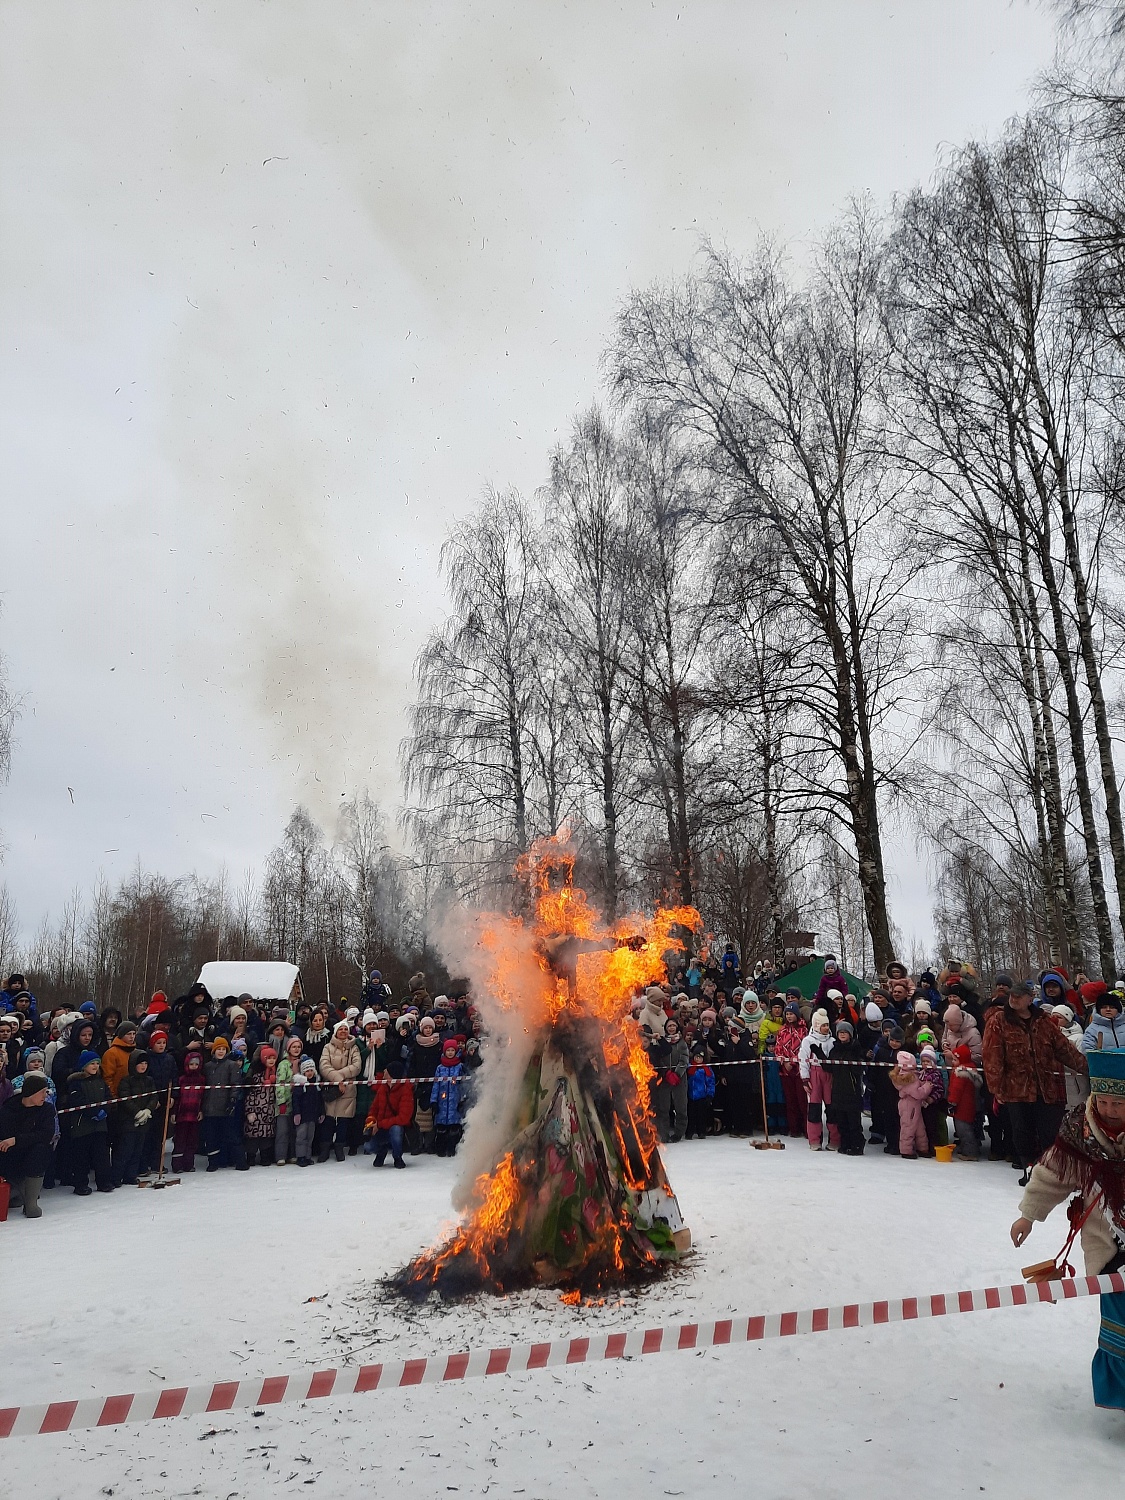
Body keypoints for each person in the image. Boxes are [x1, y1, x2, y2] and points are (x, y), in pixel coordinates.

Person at [1010, 1049, 1125, 1410]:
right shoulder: (1080, 1130)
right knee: (1120, 1329)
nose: (1109, 1109)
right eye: (1103, 1101)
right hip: (1109, 1247)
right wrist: (1028, 1215)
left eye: (1118, 1103)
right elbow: (1053, 1174)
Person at [983, 979, 1088, 1181]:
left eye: (1018, 996)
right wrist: (996, 1088)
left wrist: (1089, 1069)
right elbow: (992, 1055)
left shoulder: (1044, 1021)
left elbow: (1064, 1049)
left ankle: (1049, 1171)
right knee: (1022, 1133)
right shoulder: (998, 1021)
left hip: (1045, 1087)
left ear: (1030, 999)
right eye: (1012, 995)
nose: (1013, 999)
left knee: (1050, 1132)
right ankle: (1028, 1168)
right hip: (1016, 1089)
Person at [0, 1072, 55, 1217]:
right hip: (9, 1155)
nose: (45, 1096)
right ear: (32, 1093)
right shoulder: (9, 1108)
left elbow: (46, 1134)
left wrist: (16, 1140)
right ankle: (14, 1194)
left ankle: (30, 1203)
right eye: (43, 1092)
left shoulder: (47, 1109)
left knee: (41, 1150)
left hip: (31, 1154)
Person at [66, 1050, 114, 1195]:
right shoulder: (75, 1083)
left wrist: (105, 1110)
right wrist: (93, 1112)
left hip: (100, 1126)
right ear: (83, 1065)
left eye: (97, 1064)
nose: (95, 1066)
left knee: (101, 1156)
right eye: (91, 1063)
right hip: (82, 1126)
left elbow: (108, 1098)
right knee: (81, 1157)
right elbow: (78, 1100)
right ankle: (81, 1184)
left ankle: (104, 1182)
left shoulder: (101, 1082)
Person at [318, 1020, 361, 1162]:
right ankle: (325, 1148)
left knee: (343, 1121)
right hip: (331, 1088)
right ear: (336, 1032)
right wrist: (337, 1080)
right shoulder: (327, 1047)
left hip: (347, 1090)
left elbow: (356, 1066)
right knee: (328, 1121)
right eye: (340, 1029)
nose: (343, 1031)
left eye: (345, 1029)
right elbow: (324, 1066)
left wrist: (340, 1077)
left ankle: (339, 1147)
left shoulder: (354, 1047)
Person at [202, 1035, 247, 1171]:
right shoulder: (208, 1066)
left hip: (226, 1107)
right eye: (218, 1049)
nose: (221, 1051)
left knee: (231, 1135)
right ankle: (213, 1162)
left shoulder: (231, 1065)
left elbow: (235, 1084)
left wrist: (232, 1100)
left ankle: (240, 1161)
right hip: (210, 1108)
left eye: (223, 1049)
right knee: (211, 1137)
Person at [113, 1051, 156, 1185]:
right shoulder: (126, 1081)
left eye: (145, 1063)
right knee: (125, 1150)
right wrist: (137, 1113)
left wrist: (148, 1110)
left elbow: (154, 1096)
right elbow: (125, 1099)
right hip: (128, 1122)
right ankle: (116, 1177)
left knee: (138, 1150)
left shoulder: (149, 1080)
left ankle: (130, 1175)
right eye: (140, 1063)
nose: (143, 1066)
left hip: (144, 1121)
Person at [798, 1009, 838, 1151]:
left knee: (832, 1107)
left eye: (827, 1025)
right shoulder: (808, 1041)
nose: (826, 1028)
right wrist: (805, 1079)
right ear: (816, 1026)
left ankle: (835, 1139)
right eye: (823, 1025)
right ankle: (814, 1139)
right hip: (814, 1074)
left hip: (829, 1075)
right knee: (814, 1108)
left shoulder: (832, 1041)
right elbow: (803, 1060)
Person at [363, 1061, 414, 1167]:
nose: (384, 1071)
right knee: (368, 1147)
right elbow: (373, 1108)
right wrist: (371, 1122)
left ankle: (397, 1157)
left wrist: (379, 1124)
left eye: (387, 1070)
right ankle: (381, 1151)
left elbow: (403, 1118)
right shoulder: (383, 1087)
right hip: (381, 1127)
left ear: (392, 1074)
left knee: (396, 1129)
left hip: (397, 1129)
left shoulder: (405, 1089)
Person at [827, 1020, 865, 1155]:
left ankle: (857, 1145)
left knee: (853, 1122)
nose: (842, 1034)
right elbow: (829, 1068)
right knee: (842, 1121)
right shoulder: (835, 1049)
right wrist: (819, 1054)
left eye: (845, 1032)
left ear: (850, 1034)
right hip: (838, 1090)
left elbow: (859, 1069)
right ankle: (845, 1144)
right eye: (840, 1032)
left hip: (852, 1090)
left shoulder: (856, 1048)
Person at [775, 1001, 808, 1138]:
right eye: (787, 1014)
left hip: (800, 1069)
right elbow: (778, 1048)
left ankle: (806, 1128)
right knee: (790, 1100)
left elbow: (804, 1049)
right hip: (785, 1070)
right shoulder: (782, 1030)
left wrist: (793, 1061)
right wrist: (784, 1061)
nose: (789, 1016)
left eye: (791, 1014)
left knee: (802, 1101)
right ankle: (794, 1128)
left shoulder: (804, 1030)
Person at [242, 1045, 278, 1166]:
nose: (271, 1060)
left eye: (273, 1058)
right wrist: (249, 1111)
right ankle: (251, 1157)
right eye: (268, 1058)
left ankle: (265, 1157)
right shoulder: (256, 1076)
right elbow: (250, 1095)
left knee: (266, 1137)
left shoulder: (275, 1075)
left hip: (268, 1111)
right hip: (256, 1111)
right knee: (252, 1137)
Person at [946, 1044, 982, 1160]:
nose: (952, 1062)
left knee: (963, 1130)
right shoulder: (971, 1070)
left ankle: (970, 1152)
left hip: (962, 1107)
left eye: (955, 1059)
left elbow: (956, 1090)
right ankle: (967, 1148)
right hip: (969, 1106)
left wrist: (952, 1103)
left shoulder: (960, 1073)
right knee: (968, 1128)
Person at [171, 1049, 205, 1172]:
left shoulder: (202, 1080)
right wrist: (174, 1112)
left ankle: (189, 1164)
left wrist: (201, 1110)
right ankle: (177, 1165)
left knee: (192, 1140)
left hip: (195, 1114)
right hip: (182, 1114)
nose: (194, 1067)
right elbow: (177, 1097)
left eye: (196, 1064)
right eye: (191, 1064)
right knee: (180, 1139)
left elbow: (203, 1097)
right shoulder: (181, 1079)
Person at [430, 1041, 464, 1156]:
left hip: (455, 1101)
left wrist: (462, 1099)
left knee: (454, 1128)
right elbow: (436, 1085)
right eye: (448, 1050)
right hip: (442, 1102)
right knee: (441, 1128)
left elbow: (463, 1084)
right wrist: (433, 1101)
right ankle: (440, 1148)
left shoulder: (460, 1067)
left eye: (452, 1050)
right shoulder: (440, 1068)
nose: (450, 1053)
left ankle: (452, 1148)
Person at [292, 1057, 324, 1166]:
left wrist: (321, 1112)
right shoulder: (300, 1085)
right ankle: (300, 1156)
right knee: (301, 1137)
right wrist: (297, 1113)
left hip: (313, 1115)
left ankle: (307, 1156)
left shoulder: (316, 1084)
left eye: (311, 1070)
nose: (309, 1073)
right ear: (303, 1072)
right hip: (302, 1116)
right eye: (307, 1071)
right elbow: (295, 1100)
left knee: (310, 1137)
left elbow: (320, 1100)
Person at [685, 1047, 715, 1139]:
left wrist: (710, 1095)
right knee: (691, 1115)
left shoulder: (706, 1069)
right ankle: (689, 1132)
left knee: (701, 1115)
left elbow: (710, 1082)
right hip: (690, 1095)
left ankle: (701, 1131)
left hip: (702, 1096)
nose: (697, 1059)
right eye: (696, 1057)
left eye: (700, 1057)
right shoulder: (689, 1067)